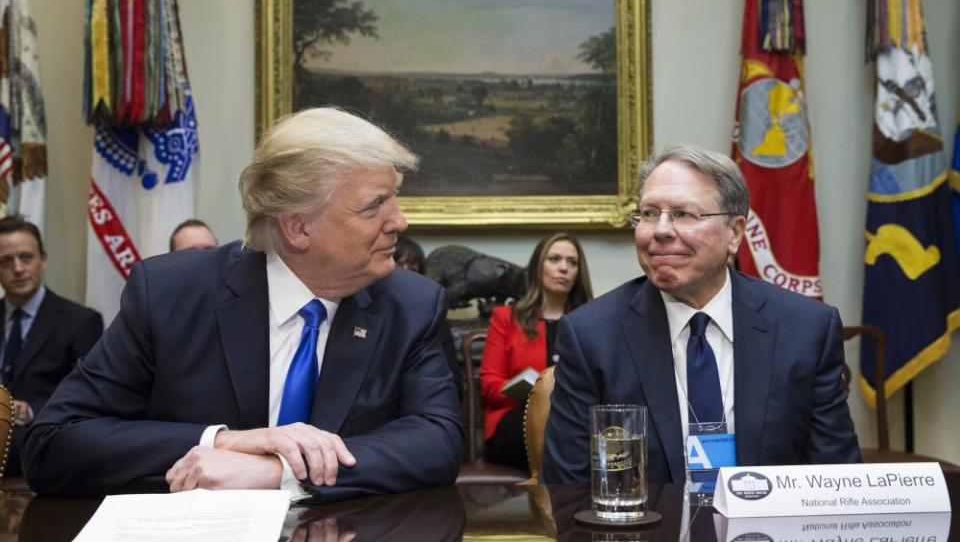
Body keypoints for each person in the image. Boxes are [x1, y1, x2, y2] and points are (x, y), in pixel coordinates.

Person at [23, 108, 463, 500]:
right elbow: (55, 443)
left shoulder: (412, 305)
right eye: (375, 206)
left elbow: (437, 441)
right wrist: (220, 442)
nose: (400, 222)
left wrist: (279, 470)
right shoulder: (170, 294)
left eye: (395, 197)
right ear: (297, 227)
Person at [542, 144, 860, 484]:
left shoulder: (806, 330)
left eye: (683, 214)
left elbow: (836, 481)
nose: (660, 230)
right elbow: (567, 488)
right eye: (649, 214)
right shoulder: (592, 336)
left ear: (735, 233)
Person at [0, 216, 103, 477]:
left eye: (26, 257)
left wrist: (28, 409)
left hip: (43, 450)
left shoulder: (80, 321)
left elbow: (87, 398)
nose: (18, 268)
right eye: (6, 261)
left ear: (43, 259)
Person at [480, 233, 593, 469]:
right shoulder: (506, 318)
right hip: (517, 420)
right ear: (537, 267)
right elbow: (490, 386)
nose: (564, 268)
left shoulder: (591, 321)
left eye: (572, 263)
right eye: (554, 259)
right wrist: (534, 391)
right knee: (554, 426)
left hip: (574, 420)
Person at [393, 233, 463, 402]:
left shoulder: (432, 318)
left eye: (413, 269)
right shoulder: (364, 313)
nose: (406, 275)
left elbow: (454, 386)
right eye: (399, 266)